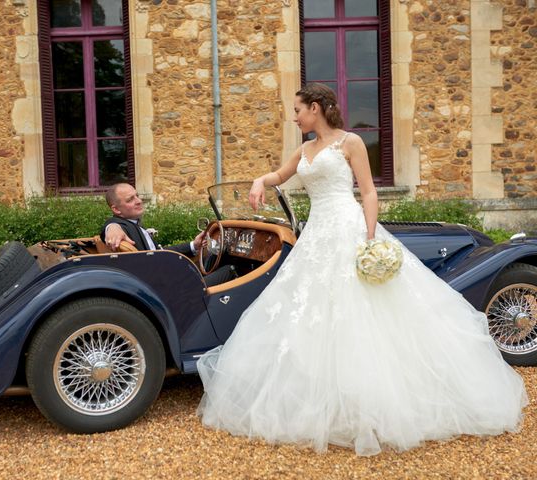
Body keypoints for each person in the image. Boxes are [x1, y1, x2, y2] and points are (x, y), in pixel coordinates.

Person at [196, 83, 527, 456]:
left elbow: (368, 192)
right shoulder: (304, 149)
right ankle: (322, 402)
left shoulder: (349, 142)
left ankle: (376, 406)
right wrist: (259, 181)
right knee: (308, 313)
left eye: (298, 109)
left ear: (316, 108)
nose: (294, 116)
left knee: (365, 314)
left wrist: (369, 238)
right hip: (316, 235)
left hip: (349, 228)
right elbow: (279, 176)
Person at [101, 182, 235, 287]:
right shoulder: (121, 226)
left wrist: (193, 245)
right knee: (231, 269)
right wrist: (112, 228)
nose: (139, 201)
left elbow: (158, 252)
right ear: (116, 209)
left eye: (137, 195)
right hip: (169, 287)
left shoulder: (133, 225)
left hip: (167, 279)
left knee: (209, 260)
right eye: (130, 199)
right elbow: (111, 227)